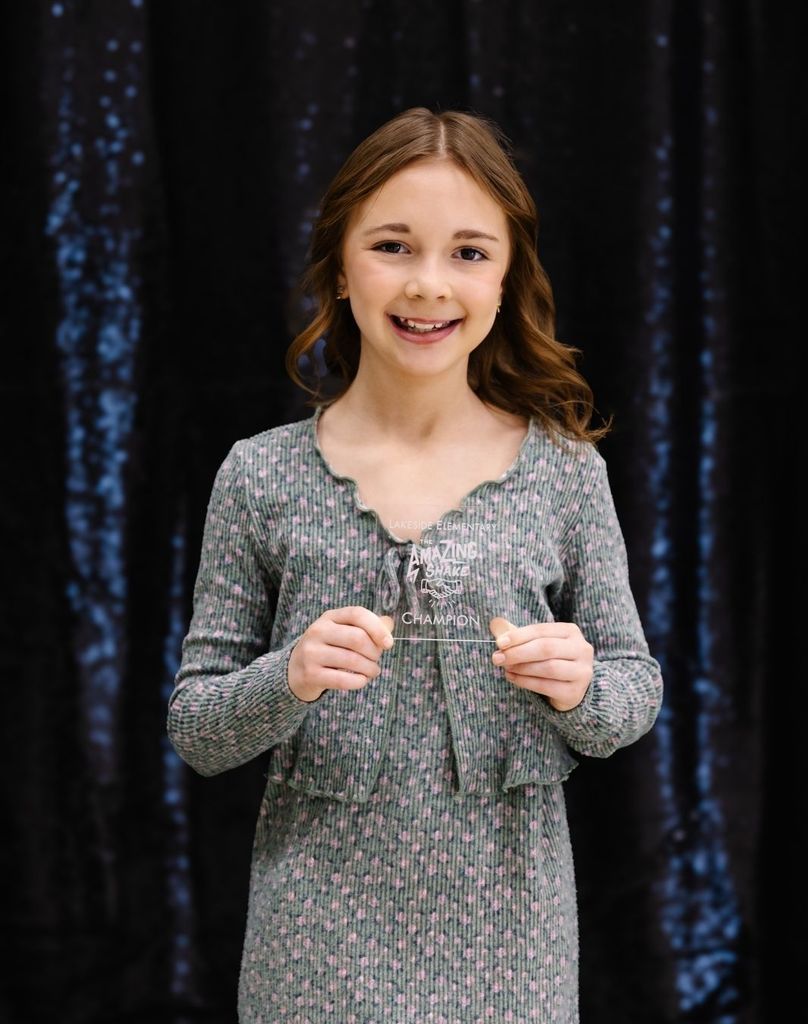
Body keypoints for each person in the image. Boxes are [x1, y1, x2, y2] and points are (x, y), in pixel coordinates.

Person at [167, 106, 663, 1023]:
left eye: (469, 253)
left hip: (511, 936)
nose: (430, 284)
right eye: (394, 245)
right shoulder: (261, 475)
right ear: (340, 265)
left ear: (507, 277)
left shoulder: (563, 472)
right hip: (314, 941)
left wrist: (582, 686)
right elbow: (198, 729)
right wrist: (292, 676)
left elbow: (632, 692)